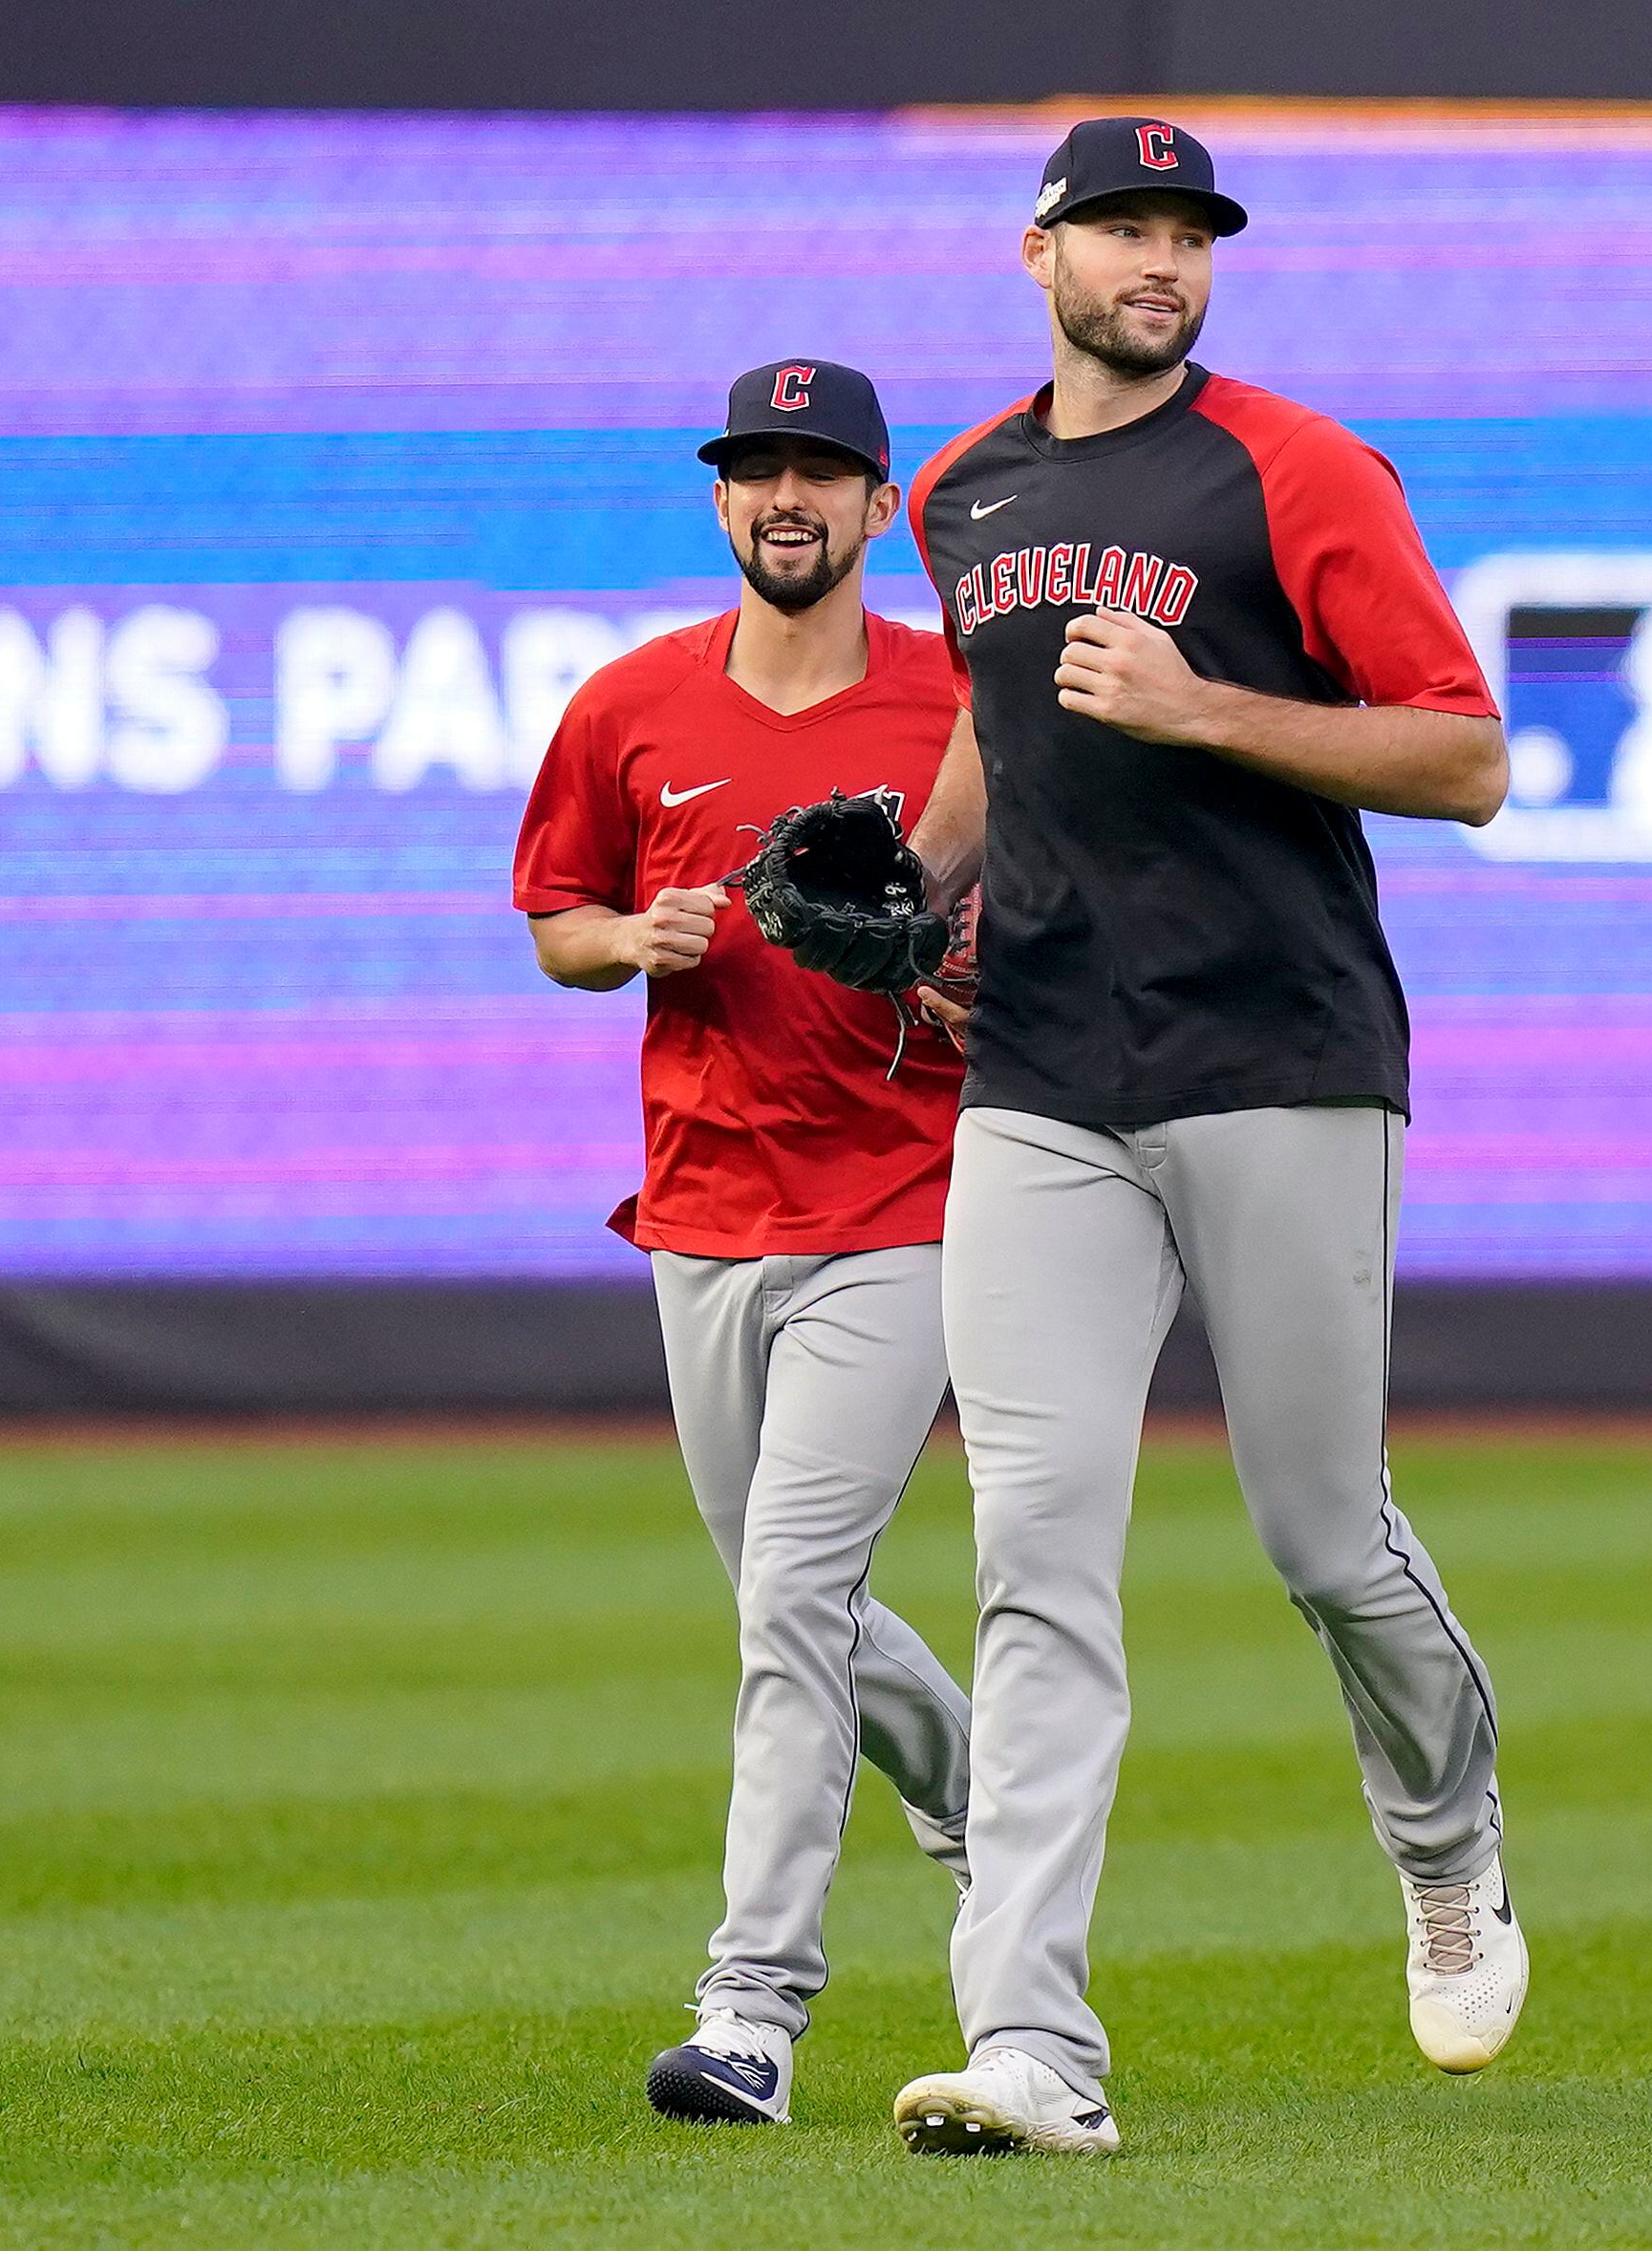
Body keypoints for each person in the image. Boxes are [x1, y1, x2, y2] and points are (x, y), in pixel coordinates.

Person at [882, 116, 1522, 2159]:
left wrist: (1207, 708)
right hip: (1044, 1074)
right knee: (1033, 1561)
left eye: (1188, 232)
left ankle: (1441, 1840)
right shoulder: (958, 487)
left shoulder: (1297, 470)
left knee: (1320, 1533)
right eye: (1121, 227)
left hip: (1279, 1052)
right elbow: (997, 718)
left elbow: (1466, 754)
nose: (1160, 260)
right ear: (1037, 250)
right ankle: (1030, 2045)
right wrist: (911, 892)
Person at [511, 360, 976, 2126]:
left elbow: (1046, 912)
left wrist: (956, 962)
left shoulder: (957, 702)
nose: (787, 499)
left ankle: (751, 2014)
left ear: (877, 512)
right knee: (799, 1599)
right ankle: (988, 1793)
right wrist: (640, 933)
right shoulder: (633, 704)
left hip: (901, 1200)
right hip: (701, 1207)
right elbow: (555, 920)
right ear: (722, 505)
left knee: (791, 1596)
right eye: (755, 472)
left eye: (823, 473)